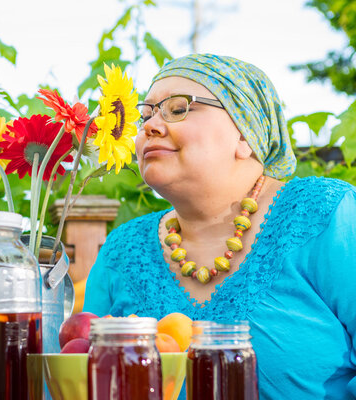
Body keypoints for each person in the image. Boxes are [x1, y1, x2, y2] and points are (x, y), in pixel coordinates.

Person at [83, 53, 356, 399]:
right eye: (145, 115)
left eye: (178, 108)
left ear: (245, 135)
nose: (150, 126)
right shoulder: (122, 251)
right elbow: (83, 380)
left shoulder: (326, 214)